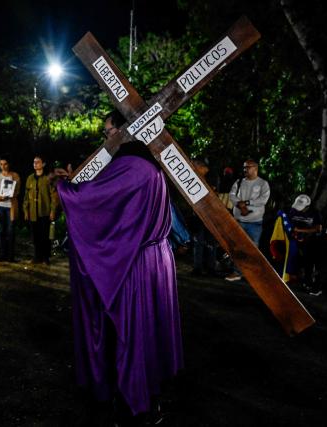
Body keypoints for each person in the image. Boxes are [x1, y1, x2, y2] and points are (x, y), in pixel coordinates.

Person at [55, 111, 183, 420]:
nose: (105, 138)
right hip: (157, 262)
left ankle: (133, 402)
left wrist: (62, 186)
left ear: (124, 132)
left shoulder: (129, 168)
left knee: (132, 333)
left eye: (107, 131)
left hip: (135, 265)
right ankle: (151, 394)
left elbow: (91, 202)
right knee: (150, 329)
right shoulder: (153, 168)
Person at [225, 159, 270, 281]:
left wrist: (247, 203)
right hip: (238, 221)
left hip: (255, 222)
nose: (245, 169)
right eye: (244, 167)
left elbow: (263, 200)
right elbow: (232, 195)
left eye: (248, 167)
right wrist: (239, 204)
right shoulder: (239, 182)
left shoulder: (263, 184)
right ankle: (237, 272)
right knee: (237, 247)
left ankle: (252, 274)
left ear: (255, 168)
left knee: (253, 249)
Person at [23, 155, 57, 264]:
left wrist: (52, 210)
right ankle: (37, 256)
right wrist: (26, 210)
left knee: (45, 235)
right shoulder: (30, 178)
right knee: (35, 235)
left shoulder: (47, 178)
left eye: (38, 162)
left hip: (44, 211)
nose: (35, 164)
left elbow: (53, 196)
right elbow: (26, 195)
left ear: (43, 164)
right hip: (33, 212)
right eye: (34, 162)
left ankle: (46, 257)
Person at [0, 154, 21, 262]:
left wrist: (11, 194)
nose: (3, 166)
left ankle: (11, 255)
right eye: (1, 164)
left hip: (10, 207)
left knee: (11, 231)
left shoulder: (15, 175)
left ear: (9, 164)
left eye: (5, 164)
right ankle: (2, 254)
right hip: (0, 207)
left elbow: (17, 190)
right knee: (1, 231)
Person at [190, 158, 217, 276]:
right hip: (197, 216)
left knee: (210, 242)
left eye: (193, 165)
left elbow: (214, 195)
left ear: (201, 167)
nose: (191, 167)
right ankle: (197, 268)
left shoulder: (212, 177)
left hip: (211, 215)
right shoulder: (192, 177)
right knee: (198, 242)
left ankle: (211, 268)